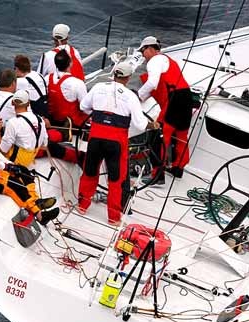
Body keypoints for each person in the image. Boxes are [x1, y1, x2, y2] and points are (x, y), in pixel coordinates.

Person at [77, 62, 155, 225]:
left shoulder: (98, 87)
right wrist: (152, 125)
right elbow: (140, 124)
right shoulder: (131, 96)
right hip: (116, 142)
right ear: (127, 78)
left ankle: (82, 207)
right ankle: (113, 218)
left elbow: (83, 106)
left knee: (89, 172)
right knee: (116, 180)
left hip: (95, 138)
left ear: (114, 74)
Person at [0, 90, 59, 225]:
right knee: (28, 178)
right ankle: (36, 202)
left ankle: (34, 204)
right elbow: (45, 144)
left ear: (13, 103)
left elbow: (3, 148)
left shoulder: (13, 122)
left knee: (17, 184)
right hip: (30, 158)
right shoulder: (40, 120)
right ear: (28, 103)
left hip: (15, 159)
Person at [137, 36, 194, 179]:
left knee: (160, 135)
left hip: (174, 99)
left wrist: (138, 96)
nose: (143, 56)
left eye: (143, 52)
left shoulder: (154, 61)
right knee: (181, 135)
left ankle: (157, 175)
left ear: (150, 49)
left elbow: (152, 84)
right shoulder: (169, 60)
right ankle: (178, 168)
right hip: (187, 96)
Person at [47, 49, 88, 128]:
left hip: (52, 122)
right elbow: (85, 108)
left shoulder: (47, 79)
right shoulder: (77, 83)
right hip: (72, 126)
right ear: (70, 64)